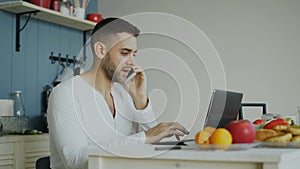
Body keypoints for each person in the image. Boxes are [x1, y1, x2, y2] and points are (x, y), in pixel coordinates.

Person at [47, 17, 189, 169]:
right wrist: (144, 138)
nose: (132, 63)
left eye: (134, 54)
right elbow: (75, 161)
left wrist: (141, 102)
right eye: (124, 53)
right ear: (101, 50)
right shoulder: (65, 94)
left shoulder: (124, 95)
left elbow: (152, 147)